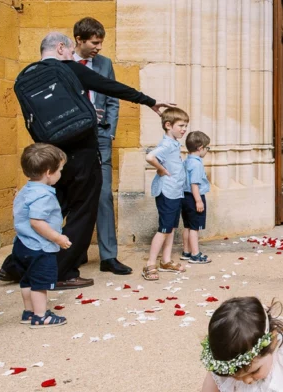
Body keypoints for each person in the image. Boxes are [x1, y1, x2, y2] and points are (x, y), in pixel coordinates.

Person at [0, 32, 173, 289]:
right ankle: (61, 272)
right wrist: (149, 101)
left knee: (48, 211)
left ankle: (14, 265)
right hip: (82, 154)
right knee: (83, 212)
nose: (71, 55)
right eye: (69, 51)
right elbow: (110, 86)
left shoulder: (27, 76)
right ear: (60, 48)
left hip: (50, 157)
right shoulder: (68, 68)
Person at [73, 17, 131, 276]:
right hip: (72, 139)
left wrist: (110, 132)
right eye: (94, 43)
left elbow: (113, 99)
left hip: (100, 137)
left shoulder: (105, 64)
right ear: (79, 39)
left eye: (100, 43)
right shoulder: (64, 63)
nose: (98, 48)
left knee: (104, 195)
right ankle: (76, 251)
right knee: (74, 193)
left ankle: (108, 257)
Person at [13, 144, 71, 328]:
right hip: (39, 247)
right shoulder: (43, 195)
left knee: (27, 280)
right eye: (60, 170)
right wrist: (57, 238)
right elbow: (37, 222)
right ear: (48, 173)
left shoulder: (26, 190)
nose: (60, 173)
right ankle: (40, 316)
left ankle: (29, 312)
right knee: (40, 283)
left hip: (22, 244)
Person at [142, 108, 190, 281]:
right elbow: (150, 157)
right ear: (168, 125)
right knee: (164, 229)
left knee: (171, 227)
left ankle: (166, 260)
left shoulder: (174, 143)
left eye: (185, 126)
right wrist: (161, 169)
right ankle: (150, 264)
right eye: (181, 126)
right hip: (167, 191)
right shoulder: (167, 144)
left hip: (175, 191)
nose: (184, 129)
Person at [181, 131, 212, 264]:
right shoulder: (197, 164)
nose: (207, 150)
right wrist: (198, 201)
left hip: (184, 197)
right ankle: (195, 254)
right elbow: (194, 184)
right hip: (194, 197)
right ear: (200, 148)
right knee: (195, 228)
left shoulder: (187, 161)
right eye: (207, 148)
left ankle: (186, 251)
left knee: (187, 226)